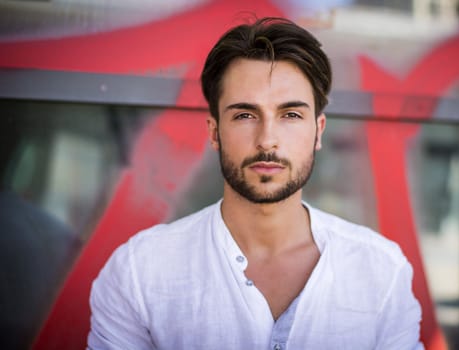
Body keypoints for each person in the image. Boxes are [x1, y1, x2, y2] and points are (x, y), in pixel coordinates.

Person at [88, 17, 423, 349]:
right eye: (245, 115)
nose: (267, 140)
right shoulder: (140, 272)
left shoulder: (381, 271)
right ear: (214, 132)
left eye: (291, 115)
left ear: (318, 131)